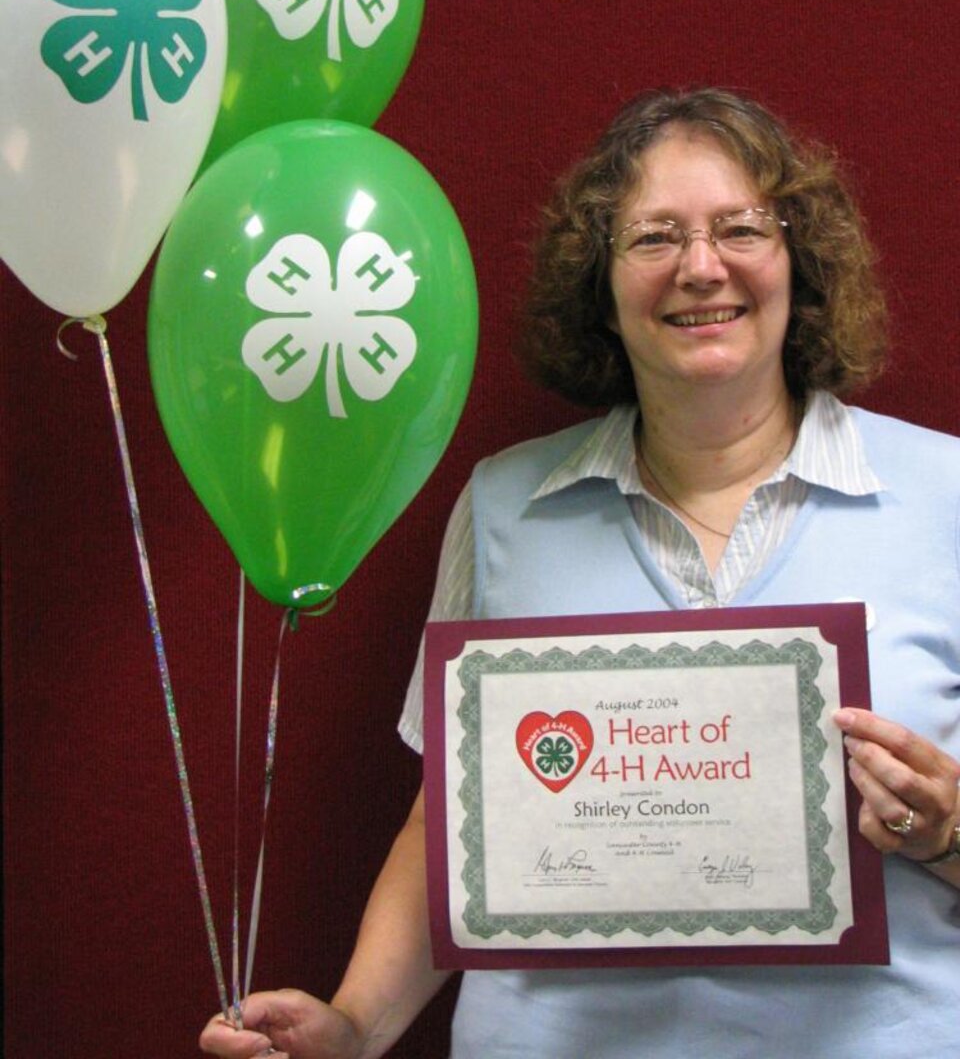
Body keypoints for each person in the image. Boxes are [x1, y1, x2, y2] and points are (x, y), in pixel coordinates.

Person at [200, 88, 960, 1059]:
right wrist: (352, 1025)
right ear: (598, 278)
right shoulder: (508, 504)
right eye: (653, 238)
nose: (700, 266)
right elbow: (451, 820)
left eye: (739, 228)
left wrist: (948, 828)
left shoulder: (945, 495)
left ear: (797, 258)